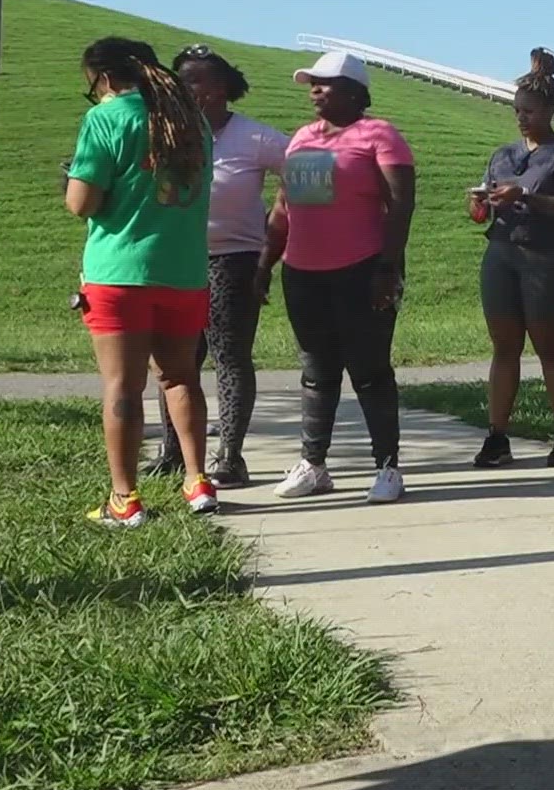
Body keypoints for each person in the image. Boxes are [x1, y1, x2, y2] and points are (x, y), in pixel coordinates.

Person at [65, 37, 218, 527]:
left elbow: (82, 203)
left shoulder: (106, 119)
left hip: (120, 273)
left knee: (123, 385)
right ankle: (197, 481)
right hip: (185, 271)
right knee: (181, 377)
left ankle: (124, 498)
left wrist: (73, 181)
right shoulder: (194, 121)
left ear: (105, 78)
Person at [262, 51, 416, 504]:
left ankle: (388, 467)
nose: (315, 90)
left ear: (355, 91)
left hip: (364, 269)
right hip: (304, 272)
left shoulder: (379, 135)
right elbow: (285, 207)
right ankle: (314, 464)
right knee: (316, 369)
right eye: (312, 83)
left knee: (369, 370)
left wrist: (388, 267)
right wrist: (264, 264)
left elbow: (400, 204)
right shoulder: (304, 139)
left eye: (325, 83)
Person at [147, 44, 287, 488]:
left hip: (235, 259)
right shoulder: (170, 135)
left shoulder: (256, 138)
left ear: (224, 87)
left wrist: (278, 226)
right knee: (175, 362)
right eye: (183, 79)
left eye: (199, 79)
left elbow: (309, 175)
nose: (190, 88)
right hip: (177, 259)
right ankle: (173, 452)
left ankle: (230, 455)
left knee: (229, 357)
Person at [468, 48, 554, 468]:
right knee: (504, 347)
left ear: (550, 109)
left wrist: (526, 195)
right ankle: (497, 436)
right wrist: (482, 205)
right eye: (517, 110)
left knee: (547, 345)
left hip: (545, 258)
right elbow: (486, 205)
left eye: (530, 111)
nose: (521, 118)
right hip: (502, 252)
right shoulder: (503, 155)